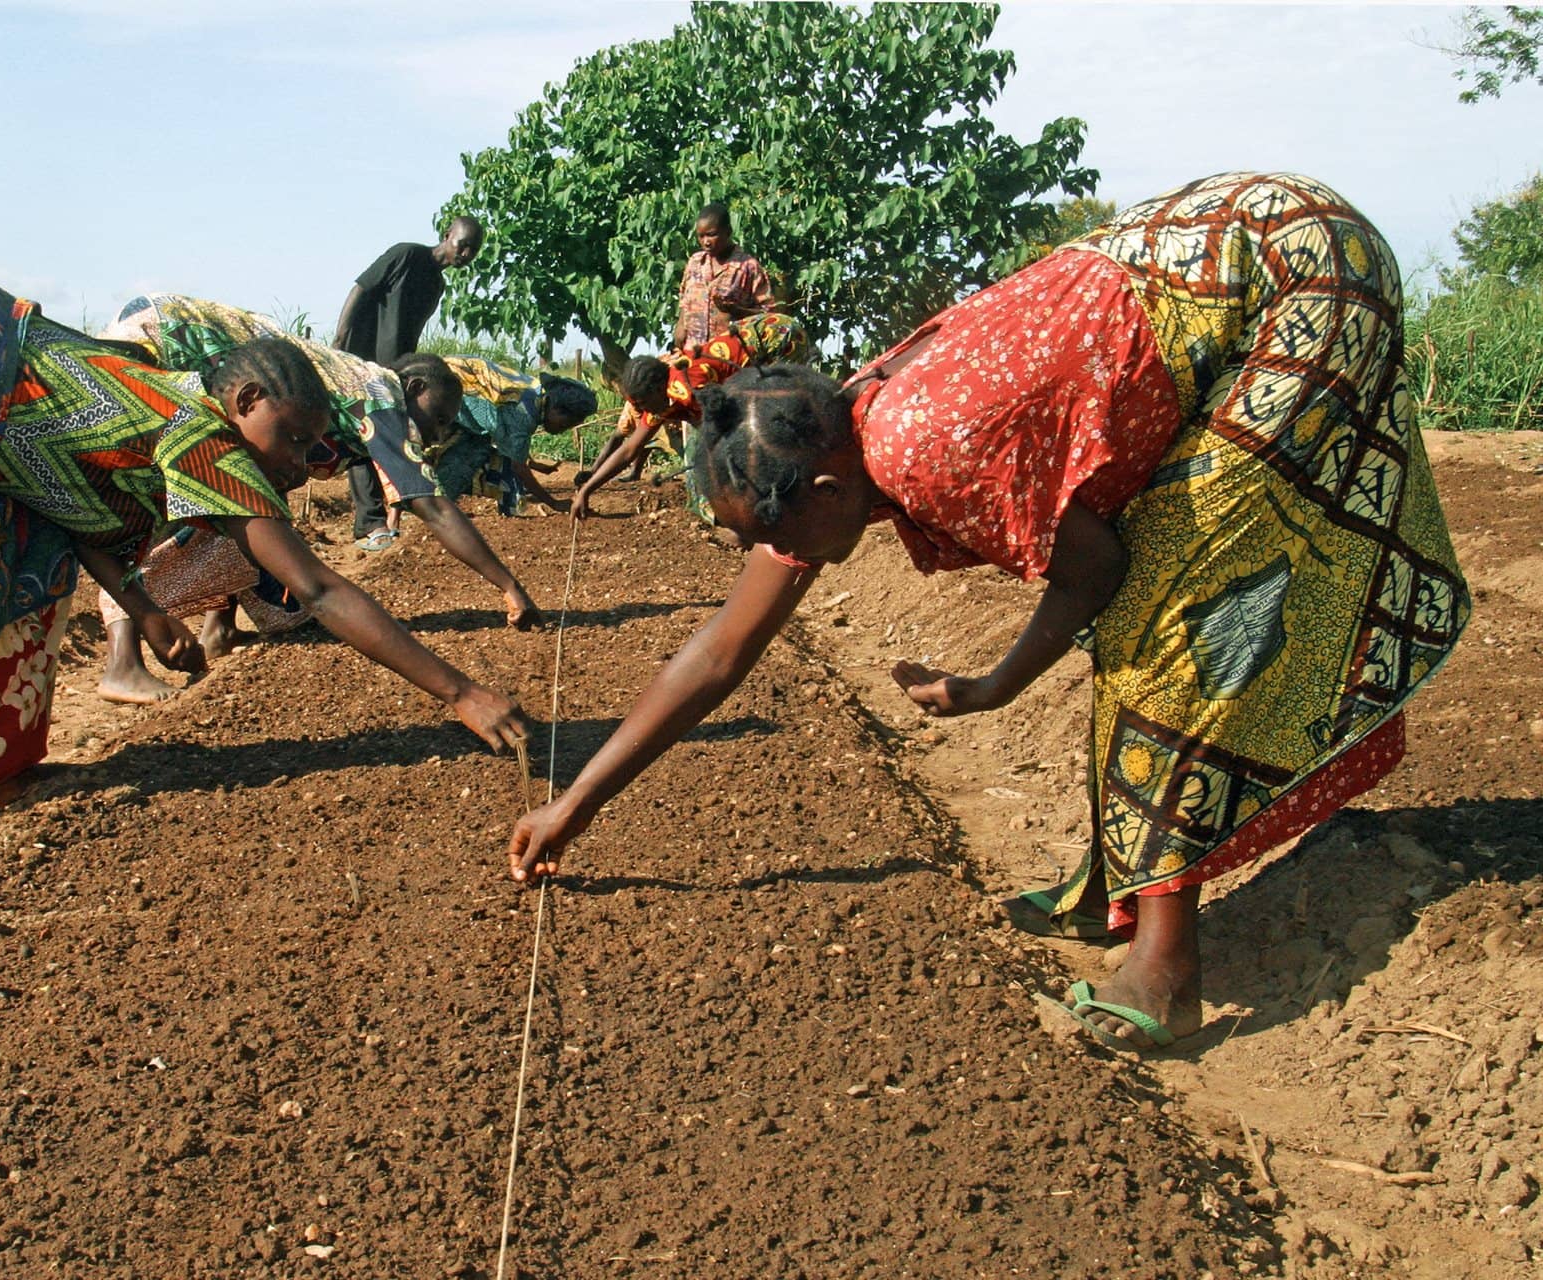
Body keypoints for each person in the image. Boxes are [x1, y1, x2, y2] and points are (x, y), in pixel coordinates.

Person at [506, 173, 1471, 1056]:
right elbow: (720, 653)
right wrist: (572, 806)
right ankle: (1111, 888)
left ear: (830, 488)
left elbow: (1096, 568)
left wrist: (994, 685)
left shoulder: (929, 450)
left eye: (765, 528)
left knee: (1166, 624)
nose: (766, 552)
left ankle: (1168, 971)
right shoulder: (826, 432)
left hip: (1301, 283)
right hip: (1220, 261)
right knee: (1146, 607)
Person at [0, 267, 530, 891]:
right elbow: (319, 589)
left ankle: (2, 770)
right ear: (245, 401)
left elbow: (60, 500)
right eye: (291, 439)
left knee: (20, 560)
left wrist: (144, 608)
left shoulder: (169, 400)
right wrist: (462, 693)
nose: (296, 462)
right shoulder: (207, 441)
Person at [94, 295, 541, 704]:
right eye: (438, 417)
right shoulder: (380, 395)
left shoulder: (343, 409)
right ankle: (123, 664)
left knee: (240, 500)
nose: (436, 433)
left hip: (169, 332)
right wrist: (509, 585)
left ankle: (221, 628)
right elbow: (434, 506)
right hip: (162, 336)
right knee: (150, 495)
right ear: (415, 388)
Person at [335, 216, 485, 550]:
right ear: (447, 236)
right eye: (463, 245)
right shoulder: (407, 255)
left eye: (472, 251)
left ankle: (386, 518)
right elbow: (361, 288)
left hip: (395, 369)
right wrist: (341, 339)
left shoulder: (437, 285)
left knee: (388, 436)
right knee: (364, 436)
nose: (466, 254)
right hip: (362, 359)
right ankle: (369, 524)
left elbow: (411, 329)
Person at [575, 312, 807, 528]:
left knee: (768, 421)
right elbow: (630, 449)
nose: (640, 410)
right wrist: (588, 489)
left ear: (656, 390)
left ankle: (786, 503)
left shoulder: (687, 388)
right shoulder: (660, 390)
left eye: (642, 404)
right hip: (754, 340)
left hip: (778, 337)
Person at [433, 356, 596, 516]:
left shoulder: (535, 392)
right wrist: (553, 503)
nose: (563, 429)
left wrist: (532, 463)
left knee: (476, 447)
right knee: (482, 460)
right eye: (564, 424)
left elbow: (513, 439)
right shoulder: (524, 415)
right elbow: (518, 467)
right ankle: (436, 507)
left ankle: (438, 502)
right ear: (556, 408)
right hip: (437, 397)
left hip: (444, 383)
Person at [674, 201, 774, 351]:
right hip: (692, 352)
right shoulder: (695, 262)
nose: (706, 242)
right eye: (701, 236)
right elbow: (684, 299)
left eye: (711, 235)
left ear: (727, 232)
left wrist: (738, 311)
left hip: (730, 355)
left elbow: (769, 315)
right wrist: (680, 325)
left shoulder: (748, 267)